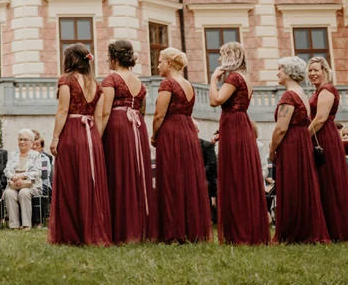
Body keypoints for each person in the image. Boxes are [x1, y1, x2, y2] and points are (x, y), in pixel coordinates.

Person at [207, 41, 270, 245]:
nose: (218, 59)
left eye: (222, 55)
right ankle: (250, 227)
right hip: (241, 123)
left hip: (233, 124)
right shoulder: (245, 78)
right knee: (243, 174)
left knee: (234, 174)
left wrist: (213, 79)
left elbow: (215, 100)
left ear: (230, 57)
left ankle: (239, 230)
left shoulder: (234, 78)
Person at [48, 43, 110, 245]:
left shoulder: (66, 80)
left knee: (70, 181)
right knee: (90, 182)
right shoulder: (97, 85)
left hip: (72, 133)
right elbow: (99, 117)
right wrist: (95, 140)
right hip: (91, 134)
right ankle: (92, 229)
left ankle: (72, 233)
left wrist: (55, 137)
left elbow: (63, 110)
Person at [95, 38, 153, 243]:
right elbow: (143, 110)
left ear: (114, 58)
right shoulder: (140, 83)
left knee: (118, 173)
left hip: (117, 126)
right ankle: (139, 227)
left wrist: (96, 138)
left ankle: (120, 229)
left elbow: (104, 112)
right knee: (136, 174)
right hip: (137, 127)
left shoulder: (111, 80)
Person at [151, 47, 211, 243]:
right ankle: (191, 229)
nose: (158, 65)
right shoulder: (188, 85)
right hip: (187, 131)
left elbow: (159, 115)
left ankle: (172, 230)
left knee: (171, 178)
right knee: (187, 179)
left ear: (169, 63)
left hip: (171, 131)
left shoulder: (168, 84)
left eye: (160, 61)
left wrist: (154, 135)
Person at [268, 56, 328, 244]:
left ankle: (292, 231)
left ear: (288, 72)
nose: (277, 73)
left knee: (291, 185)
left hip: (291, 143)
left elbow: (281, 128)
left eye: (280, 69)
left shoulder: (289, 96)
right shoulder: (301, 93)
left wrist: (272, 150)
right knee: (302, 184)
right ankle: (305, 228)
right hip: (302, 141)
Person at [306, 56, 348, 242]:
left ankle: (337, 229)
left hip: (325, 137)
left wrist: (304, 136)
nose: (312, 73)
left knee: (329, 180)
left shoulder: (327, 90)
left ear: (325, 71)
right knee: (321, 181)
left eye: (316, 70)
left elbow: (320, 118)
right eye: (310, 70)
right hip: (318, 135)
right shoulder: (318, 91)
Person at [2, 129, 44, 229]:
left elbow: (37, 172)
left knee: (24, 192)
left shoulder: (36, 155)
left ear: (31, 142)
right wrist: (14, 177)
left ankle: (26, 225)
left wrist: (21, 176)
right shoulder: (13, 154)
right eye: (20, 139)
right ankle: (14, 225)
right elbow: (7, 170)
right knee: (9, 193)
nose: (22, 142)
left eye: (25, 139)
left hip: (32, 185)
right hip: (14, 184)